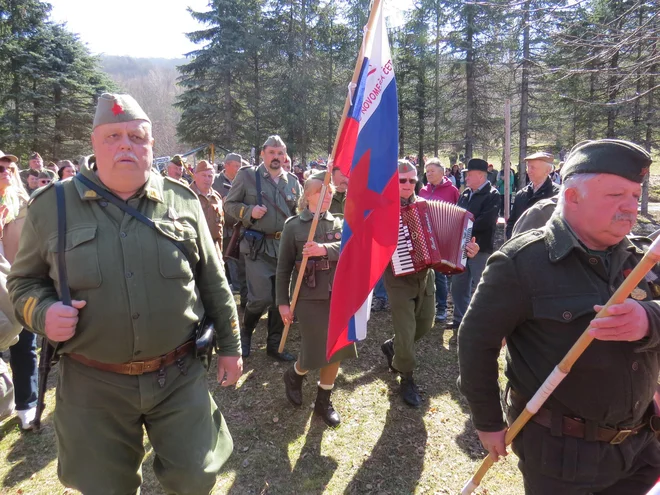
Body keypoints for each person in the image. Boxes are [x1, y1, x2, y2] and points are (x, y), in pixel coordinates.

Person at [7, 93, 242, 494]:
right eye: (113, 136)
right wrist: (43, 313)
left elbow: (213, 279)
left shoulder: (181, 200)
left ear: (151, 146)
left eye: (137, 137)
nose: (125, 146)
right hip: (93, 382)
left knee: (195, 476)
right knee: (104, 486)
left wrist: (231, 347)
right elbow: (23, 282)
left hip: (178, 374)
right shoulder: (52, 206)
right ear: (95, 144)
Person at [458, 139, 660, 495]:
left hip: (641, 447)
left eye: (634, 194)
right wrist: (488, 423)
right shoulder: (522, 263)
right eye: (616, 196)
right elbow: (476, 342)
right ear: (573, 197)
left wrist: (648, 320)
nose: (631, 207)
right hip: (563, 456)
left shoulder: (639, 258)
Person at [382, 160, 478, 407]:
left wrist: (468, 250)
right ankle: (407, 377)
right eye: (402, 180)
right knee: (406, 329)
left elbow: (452, 242)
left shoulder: (425, 206)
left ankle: (393, 346)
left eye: (412, 180)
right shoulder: (383, 209)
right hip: (398, 276)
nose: (407, 185)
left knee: (425, 324)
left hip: (426, 276)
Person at [276, 172, 357, 426]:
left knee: (337, 347)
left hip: (338, 293)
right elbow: (283, 268)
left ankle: (323, 400)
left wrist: (324, 250)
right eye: (320, 192)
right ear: (307, 196)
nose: (327, 196)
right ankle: (296, 374)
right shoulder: (293, 226)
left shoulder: (340, 223)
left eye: (330, 192)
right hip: (309, 295)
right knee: (314, 350)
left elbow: (350, 247)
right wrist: (283, 302)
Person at [224, 135, 301, 361]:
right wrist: (248, 212)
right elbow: (229, 204)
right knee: (260, 297)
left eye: (280, 153)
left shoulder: (293, 181)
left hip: (284, 246)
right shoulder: (247, 176)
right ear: (262, 154)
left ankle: (274, 345)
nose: (276, 157)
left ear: (284, 155)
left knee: (281, 298)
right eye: (271, 153)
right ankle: (246, 333)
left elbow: (299, 212)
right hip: (258, 246)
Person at [0, 150, 34, 429]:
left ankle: (28, 405)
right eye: (0, 167)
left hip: (20, 282)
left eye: (9, 167)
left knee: (25, 344)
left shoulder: (24, 203)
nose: (6, 171)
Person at [449, 158, 499, 332]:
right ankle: (460, 319)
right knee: (458, 285)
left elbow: (485, 222)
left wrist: (464, 229)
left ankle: (481, 321)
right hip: (461, 248)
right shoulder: (465, 194)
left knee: (480, 286)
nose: (466, 178)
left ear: (480, 175)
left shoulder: (493, 194)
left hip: (480, 249)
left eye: (469, 174)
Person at [418, 158, 460, 322]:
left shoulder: (452, 191)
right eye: (427, 171)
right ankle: (424, 306)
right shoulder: (422, 191)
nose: (428, 174)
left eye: (432, 171)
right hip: (424, 237)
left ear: (442, 172)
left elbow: (460, 214)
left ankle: (442, 308)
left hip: (443, 239)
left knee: (440, 274)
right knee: (423, 272)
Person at [214, 153, 247, 306]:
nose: (238, 168)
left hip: (239, 228)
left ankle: (240, 291)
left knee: (238, 261)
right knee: (223, 261)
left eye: (240, 166)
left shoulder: (243, 181)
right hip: (221, 228)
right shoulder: (215, 182)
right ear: (226, 165)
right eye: (236, 165)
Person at [506, 151, 559, 239]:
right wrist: (513, 241)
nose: (529, 171)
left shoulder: (557, 195)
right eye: (528, 167)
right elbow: (512, 222)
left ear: (547, 170)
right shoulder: (521, 194)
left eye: (533, 167)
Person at [191, 160, 224, 259]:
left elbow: (221, 225)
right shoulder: (187, 196)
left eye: (210, 176)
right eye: (203, 175)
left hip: (215, 250)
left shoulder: (216, 197)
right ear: (195, 176)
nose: (207, 179)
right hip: (195, 250)